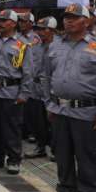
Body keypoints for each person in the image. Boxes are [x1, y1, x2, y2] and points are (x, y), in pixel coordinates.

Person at [44, 3, 96, 192]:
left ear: (86, 21)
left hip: (87, 112)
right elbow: (46, 77)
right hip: (60, 110)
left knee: (88, 156)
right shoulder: (55, 46)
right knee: (62, 154)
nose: (69, 21)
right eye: (66, 17)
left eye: (74, 17)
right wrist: (49, 103)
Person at [0, 9, 33, 175]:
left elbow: (28, 71)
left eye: (3, 21)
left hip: (11, 92)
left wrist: (24, 93)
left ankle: (14, 159)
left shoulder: (22, 44)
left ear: (13, 23)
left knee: (11, 127)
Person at [26, 16, 57, 159]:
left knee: (53, 122)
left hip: (51, 89)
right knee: (36, 121)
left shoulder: (59, 46)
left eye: (44, 29)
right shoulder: (35, 44)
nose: (40, 32)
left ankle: (55, 149)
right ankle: (40, 147)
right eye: (38, 29)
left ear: (52, 30)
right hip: (35, 88)